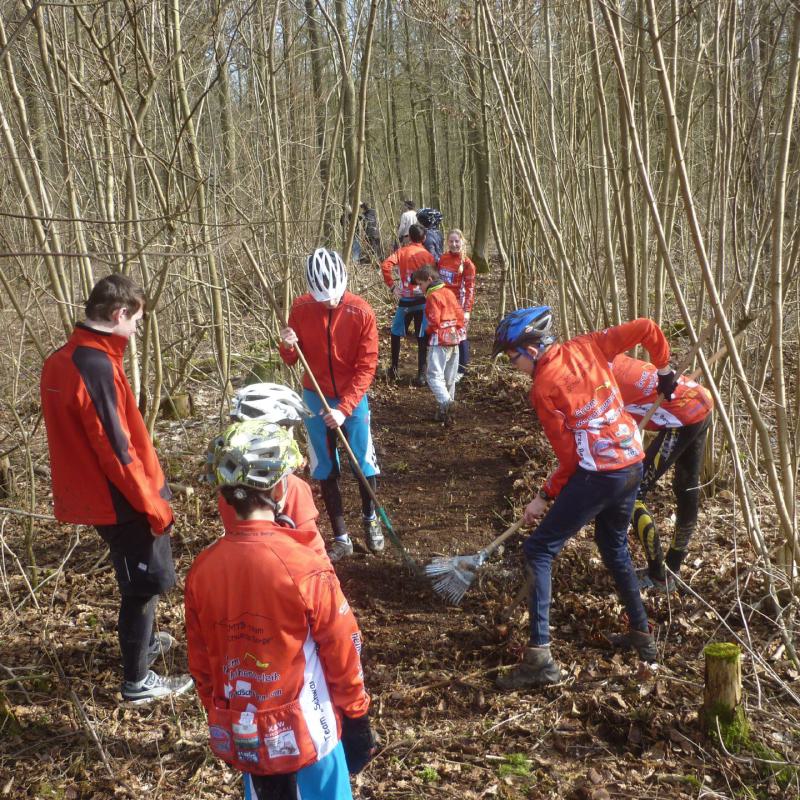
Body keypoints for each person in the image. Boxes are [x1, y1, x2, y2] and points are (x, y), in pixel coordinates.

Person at [187, 420, 377, 800]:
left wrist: (218, 712)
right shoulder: (304, 565)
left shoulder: (202, 570)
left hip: (245, 730)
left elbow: (202, 660)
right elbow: (342, 647)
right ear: (278, 488)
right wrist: (357, 715)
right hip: (310, 728)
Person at [492, 307, 679, 689]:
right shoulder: (588, 344)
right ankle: (642, 636)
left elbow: (570, 460)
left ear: (531, 348)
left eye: (513, 357)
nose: (513, 366)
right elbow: (647, 327)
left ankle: (540, 657)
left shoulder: (543, 388)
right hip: (631, 463)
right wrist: (664, 371)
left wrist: (543, 497)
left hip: (601, 474)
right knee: (613, 548)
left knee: (539, 550)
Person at [39, 273, 193, 703]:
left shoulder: (63, 357)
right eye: (136, 321)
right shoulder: (95, 365)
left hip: (96, 493)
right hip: (117, 496)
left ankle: (142, 645)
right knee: (144, 582)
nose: (137, 329)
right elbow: (115, 448)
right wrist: (151, 503)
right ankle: (137, 681)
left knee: (141, 574)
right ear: (118, 314)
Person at [278, 248, 384, 562]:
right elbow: (290, 359)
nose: (330, 302)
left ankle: (370, 519)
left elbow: (367, 367)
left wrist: (345, 408)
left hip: (351, 397)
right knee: (324, 467)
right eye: (323, 298)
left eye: (334, 296)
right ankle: (341, 536)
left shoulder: (361, 312)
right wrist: (286, 344)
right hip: (314, 396)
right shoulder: (300, 307)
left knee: (363, 462)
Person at [612, 354, 713, 590]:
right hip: (700, 401)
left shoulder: (597, 385)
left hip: (684, 415)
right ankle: (672, 568)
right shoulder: (608, 361)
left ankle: (659, 575)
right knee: (685, 486)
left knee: (632, 493)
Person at [221, 382, 327, 561]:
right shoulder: (292, 488)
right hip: (289, 576)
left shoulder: (229, 483)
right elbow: (314, 552)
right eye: (290, 431)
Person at [380, 224, 436, 386]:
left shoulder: (402, 252)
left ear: (409, 237)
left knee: (396, 333)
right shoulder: (427, 256)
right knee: (421, 336)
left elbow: (385, 265)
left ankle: (394, 369)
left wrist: (392, 286)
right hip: (422, 301)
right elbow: (433, 276)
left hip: (405, 301)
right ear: (424, 238)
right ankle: (421, 375)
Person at [410, 266, 466, 423]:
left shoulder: (433, 296)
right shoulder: (449, 292)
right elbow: (460, 315)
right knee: (449, 377)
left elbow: (434, 320)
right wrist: (457, 329)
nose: (419, 288)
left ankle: (448, 404)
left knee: (434, 376)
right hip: (454, 338)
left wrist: (428, 331)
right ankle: (446, 413)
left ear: (429, 280)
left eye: (420, 284)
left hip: (439, 339)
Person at [437, 229, 476, 379]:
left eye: (457, 241)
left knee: (460, 335)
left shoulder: (467, 264)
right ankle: (446, 366)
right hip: (443, 304)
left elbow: (470, 288)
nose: (454, 244)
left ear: (462, 242)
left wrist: (467, 310)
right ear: (447, 242)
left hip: (459, 306)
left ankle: (461, 370)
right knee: (445, 334)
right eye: (451, 241)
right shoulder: (443, 259)